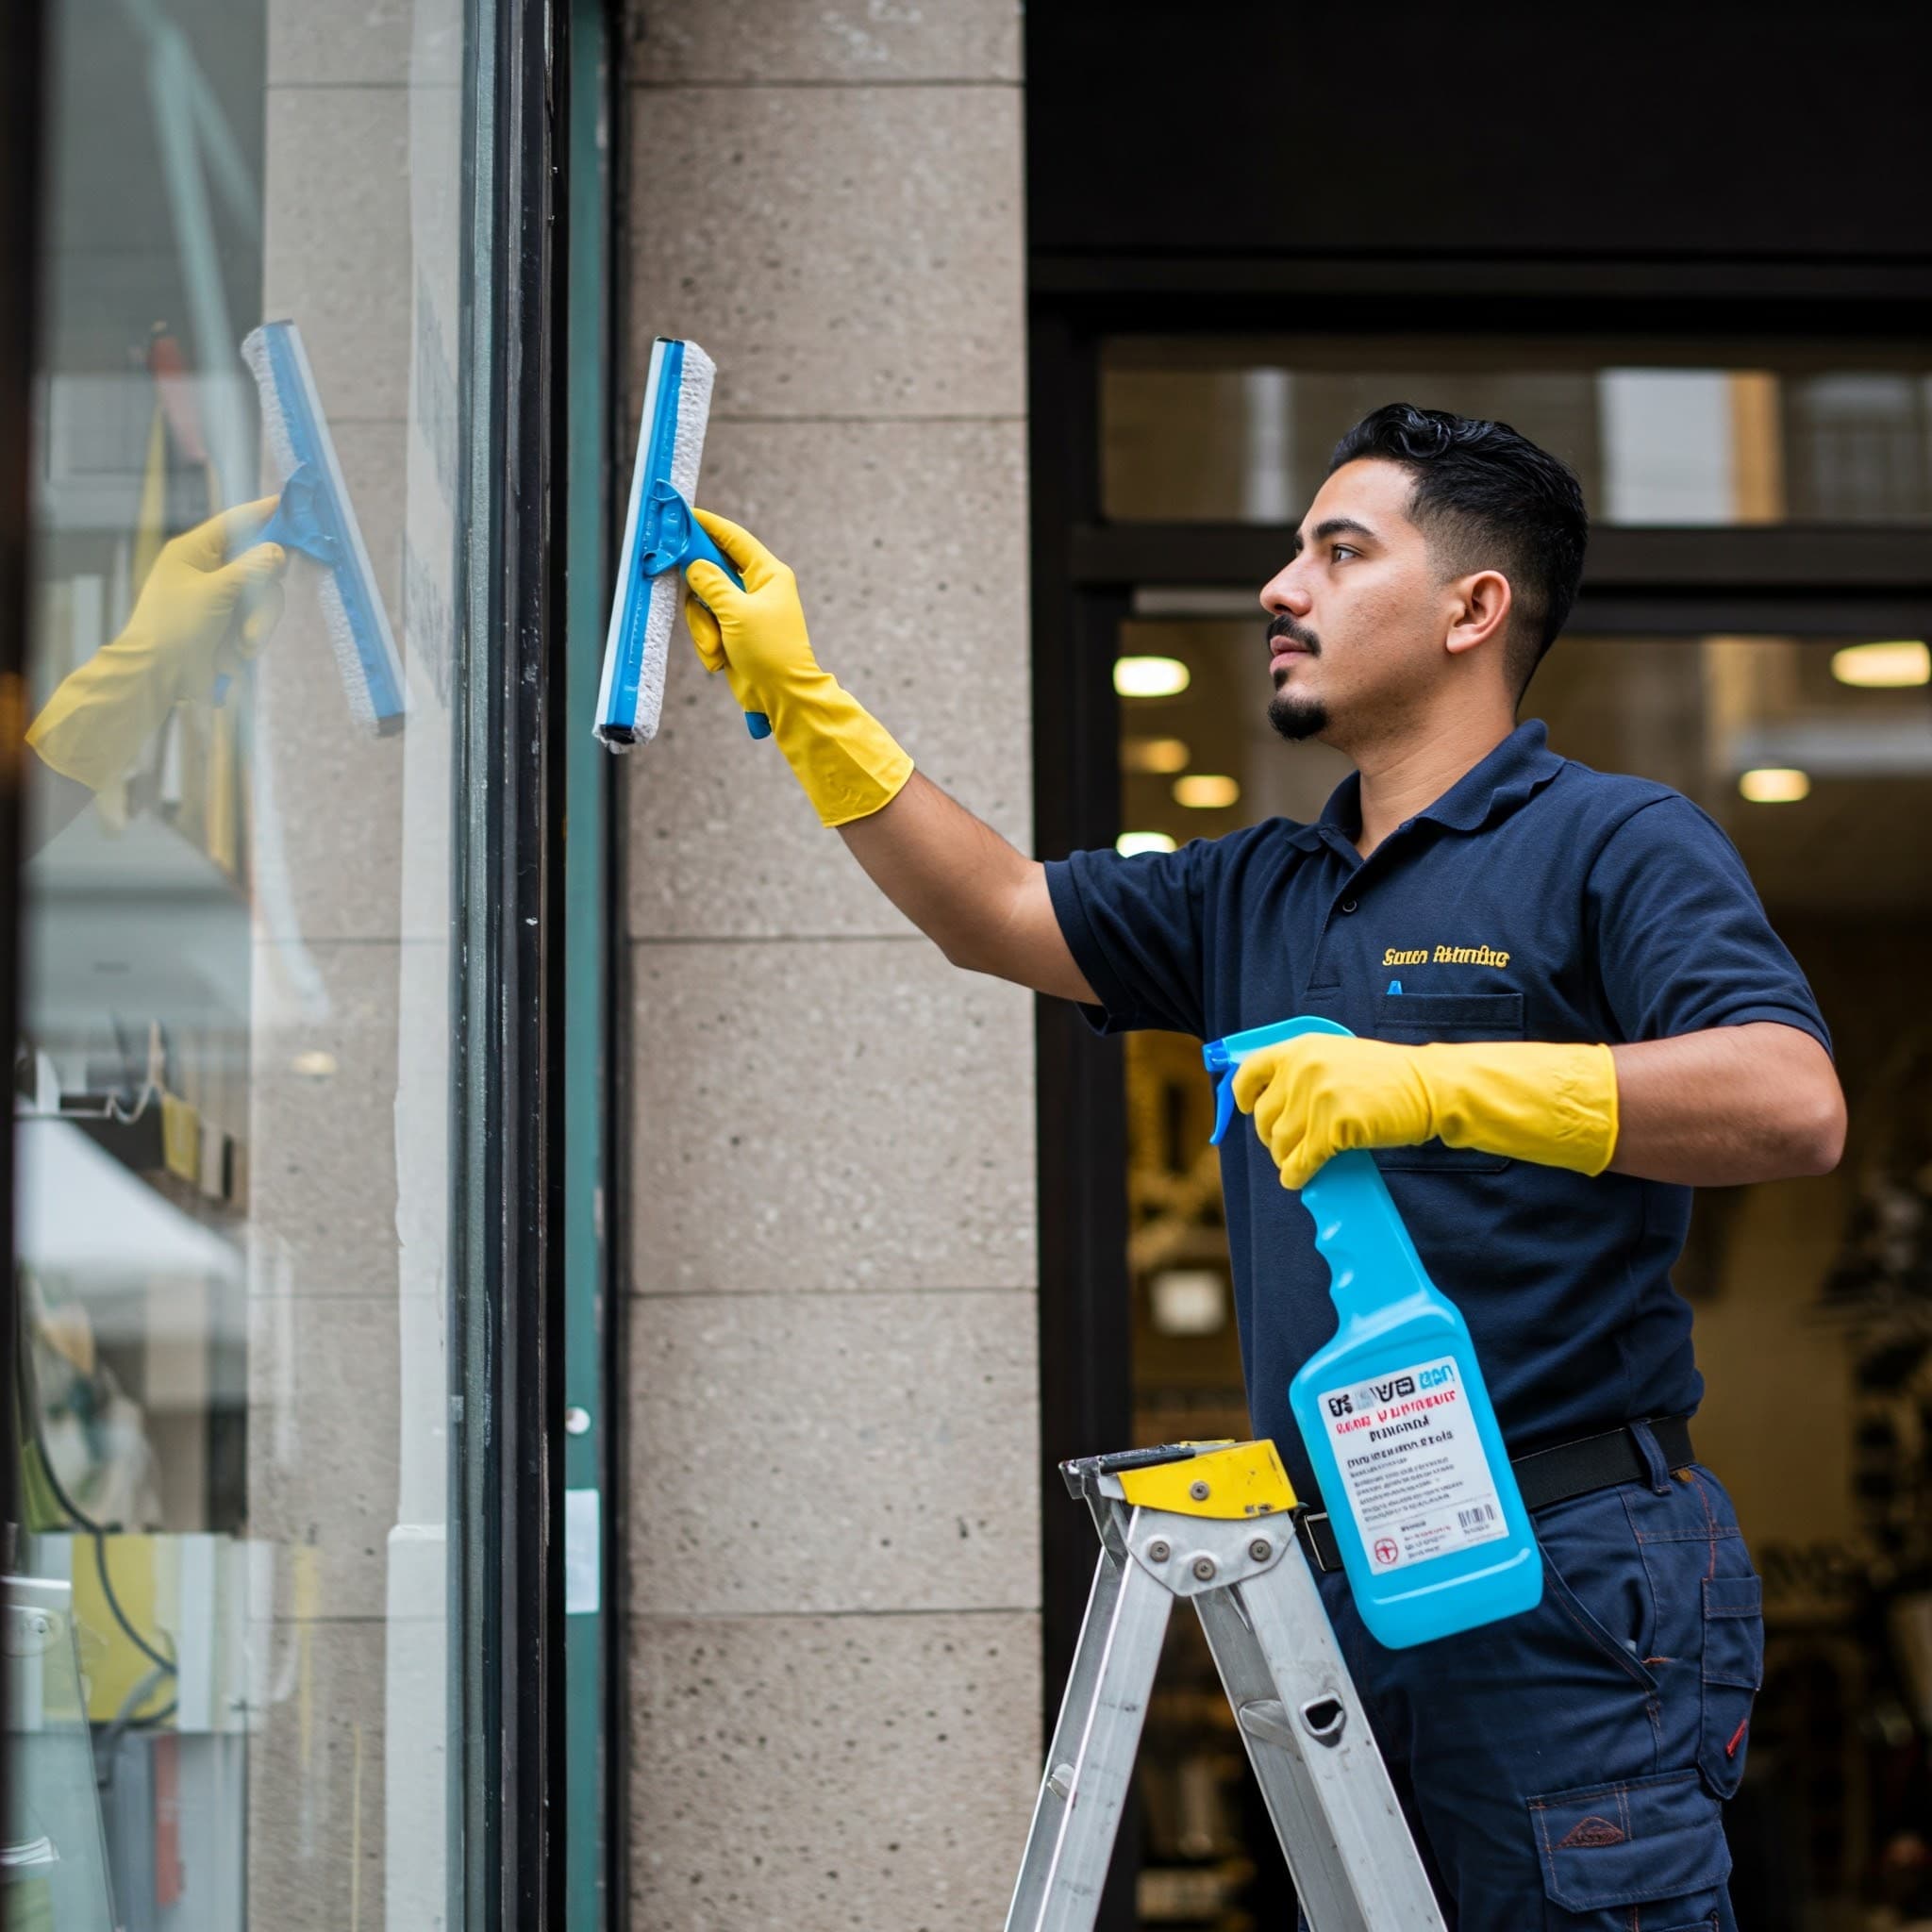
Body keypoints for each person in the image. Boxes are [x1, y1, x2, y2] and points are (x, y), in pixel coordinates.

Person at [680, 402, 1847, 1932]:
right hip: (1341, 1569)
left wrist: (1428, 1085)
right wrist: (806, 699)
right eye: (1291, 551)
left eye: (1337, 551)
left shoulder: (1612, 842)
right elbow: (998, 917)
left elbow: (1790, 1102)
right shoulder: (1257, 888)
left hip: (1566, 1567)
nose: (1279, 589)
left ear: (1471, 609)